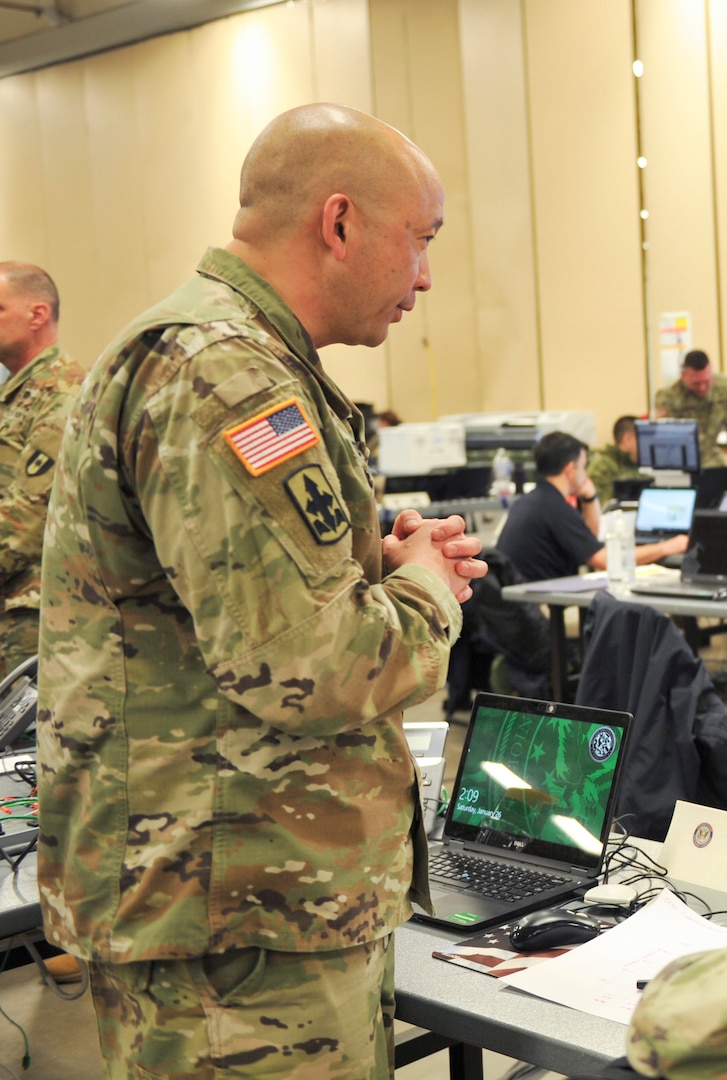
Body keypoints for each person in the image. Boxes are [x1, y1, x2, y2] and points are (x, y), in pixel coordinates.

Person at [37, 104, 489, 1077]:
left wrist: (370, 553)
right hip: (234, 915)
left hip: (249, 893)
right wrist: (427, 590)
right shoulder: (226, 374)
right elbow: (308, 666)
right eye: (420, 241)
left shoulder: (230, 354)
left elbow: (212, 590)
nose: (424, 276)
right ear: (339, 224)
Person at [0, 262, 83, 676]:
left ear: (37, 315)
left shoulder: (60, 393)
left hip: (31, 614)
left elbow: (27, 517)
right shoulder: (16, 394)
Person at [497, 430, 686, 583]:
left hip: (518, 606)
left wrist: (590, 498)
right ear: (571, 470)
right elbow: (605, 560)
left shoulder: (534, 500)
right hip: (537, 610)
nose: (586, 474)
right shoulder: (554, 508)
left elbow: (589, 540)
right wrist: (668, 546)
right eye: (583, 466)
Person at [654, 349, 727, 494]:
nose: (703, 388)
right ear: (683, 376)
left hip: (713, 466)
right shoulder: (668, 397)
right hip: (681, 471)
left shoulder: (725, 389)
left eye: (706, 381)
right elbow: (666, 441)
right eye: (696, 384)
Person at [586, 414, 642, 503]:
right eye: (642, 439)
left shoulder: (642, 466)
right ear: (628, 439)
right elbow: (602, 509)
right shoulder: (602, 468)